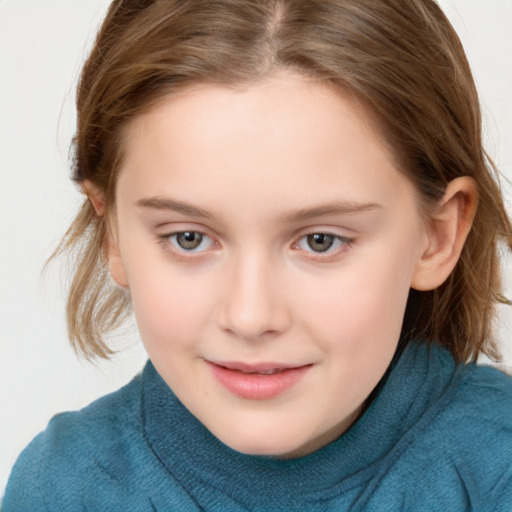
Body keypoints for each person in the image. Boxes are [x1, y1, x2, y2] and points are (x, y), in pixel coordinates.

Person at [3, 0, 512, 510]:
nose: (250, 317)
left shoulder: (496, 469)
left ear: (437, 235)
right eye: (188, 238)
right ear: (112, 229)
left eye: (321, 241)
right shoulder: (64, 488)